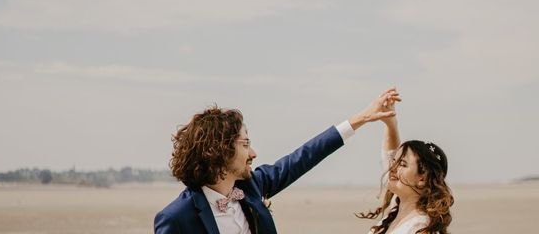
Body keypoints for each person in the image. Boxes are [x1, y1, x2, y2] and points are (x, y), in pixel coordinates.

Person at [154, 87, 401, 234]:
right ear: (219, 152)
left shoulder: (251, 186)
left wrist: (361, 119)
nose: (253, 153)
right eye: (246, 144)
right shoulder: (176, 218)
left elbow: (304, 157)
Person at [357, 93, 453, 234]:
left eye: (402, 164)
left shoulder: (422, 228)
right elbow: (389, 152)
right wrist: (391, 124)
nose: (392, 168)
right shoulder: (396, 211)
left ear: (422, 178)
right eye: (394, 161)